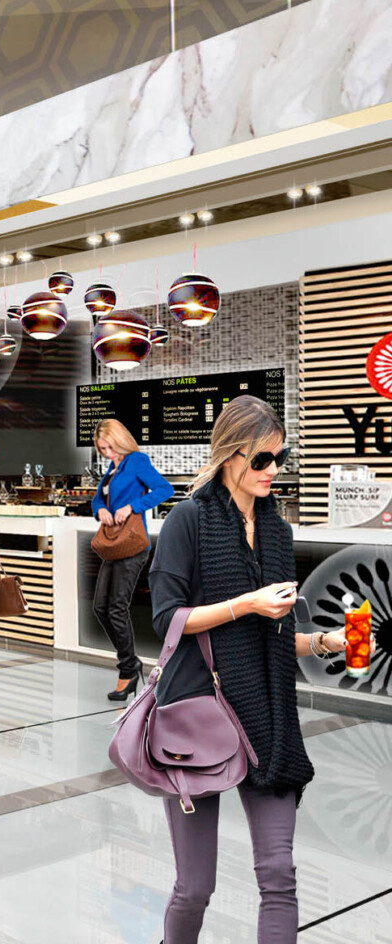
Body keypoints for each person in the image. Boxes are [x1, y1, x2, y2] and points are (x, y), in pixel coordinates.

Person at [148, 395, 364, 944]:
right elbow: (166, 619)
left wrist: (324, 641)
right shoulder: (188, 521)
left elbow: (273, 632)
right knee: (195, 887)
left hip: (268, 718)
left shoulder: (276, 531)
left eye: (279, 459)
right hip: (198, 714)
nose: (273, 471)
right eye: (261, 459)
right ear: (229, 453)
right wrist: (245, 603)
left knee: (279, 877)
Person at [90, 417, 175, 701]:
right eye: (102, 450)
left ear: (120, 440)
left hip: (133, 544)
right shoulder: (113, 468)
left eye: (110, 448)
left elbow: (165, 490)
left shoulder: (136, 461)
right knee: (101, 607)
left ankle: (127, 670)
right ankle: (131, 662)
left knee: (115, 607)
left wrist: (132, 506)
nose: (108, 454)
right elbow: (98, 498)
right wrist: (100, 509)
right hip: (115, 544)